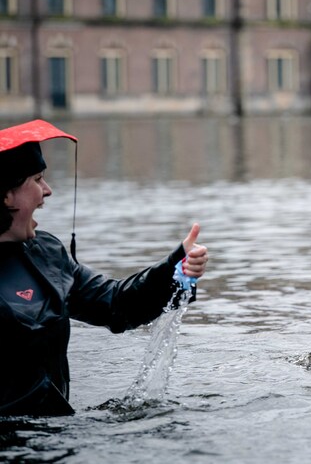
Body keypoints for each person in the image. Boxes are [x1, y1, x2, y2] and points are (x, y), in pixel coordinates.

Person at [0, 119, 209, 416]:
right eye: (36, 179)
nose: (47, 190)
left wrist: (175, 267)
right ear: (6, 194)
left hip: (56, 433)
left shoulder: (47, 255)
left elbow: (116, 303)